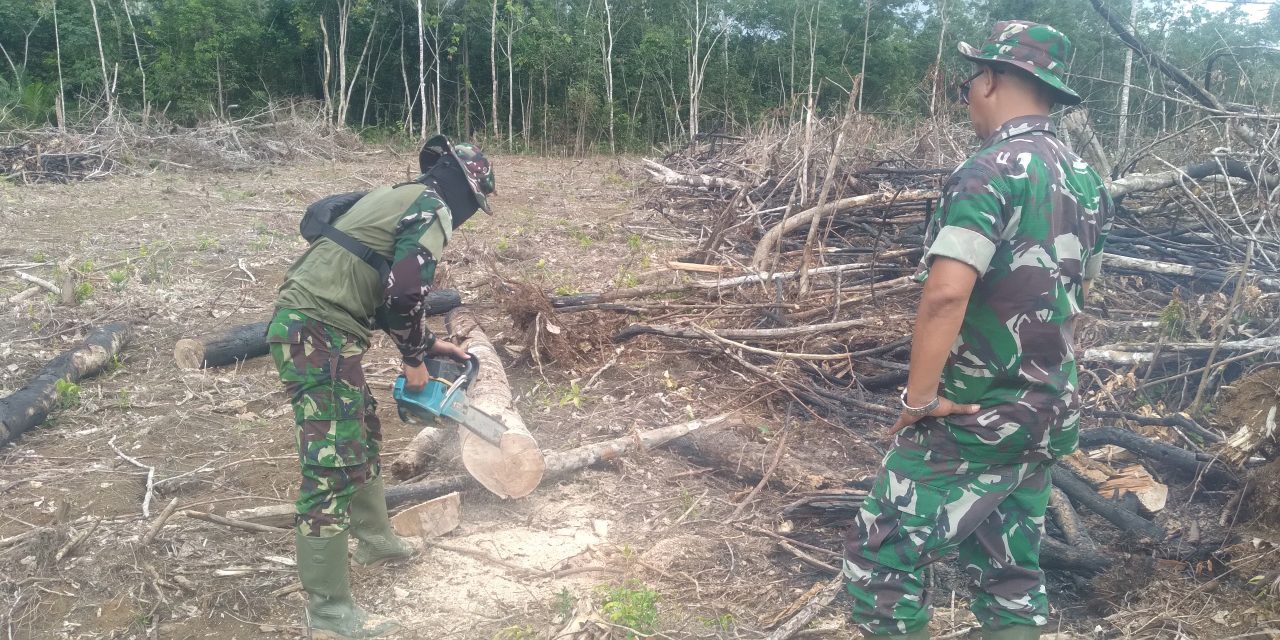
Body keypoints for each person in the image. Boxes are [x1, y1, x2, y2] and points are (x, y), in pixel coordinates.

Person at [842, 22, 1112, 640]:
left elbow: (945, 293)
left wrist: (920, 398)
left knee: (880, 556)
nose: (967, 96)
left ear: (989, 79)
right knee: (1009, 567)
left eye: (969, 82)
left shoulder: (988, 171)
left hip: (975, 414)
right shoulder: (1086, 180)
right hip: (1046, 410)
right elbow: (1079, 292)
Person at [267, 135, 496, 638]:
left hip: (320, 327)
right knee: (329, 467)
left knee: (361, 432)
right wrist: (413, 360)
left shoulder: (398, 195)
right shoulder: (432, 207)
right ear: (465, 190)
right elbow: (407, 289)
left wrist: (430, 347)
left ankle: (374, 538)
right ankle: (328, 614)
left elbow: (381, 280)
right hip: (317, 330)